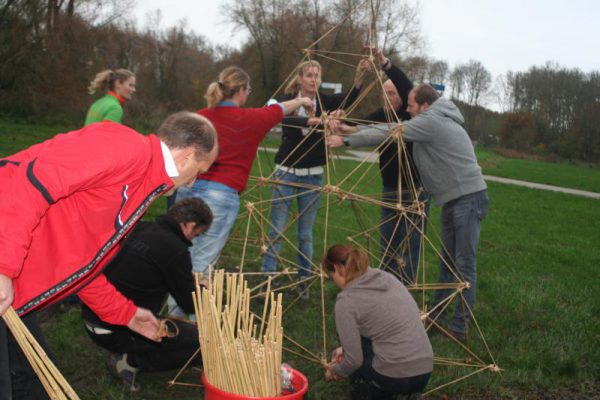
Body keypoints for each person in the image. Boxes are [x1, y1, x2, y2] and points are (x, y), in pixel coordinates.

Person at [0, 111, 218, 399]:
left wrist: (127, 315)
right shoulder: (126, 146)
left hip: (15, 300)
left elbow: (79, 265)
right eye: (201, 171)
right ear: (188, 157)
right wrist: (3, 266)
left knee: (35, 384)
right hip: (6, 278)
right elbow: (26, 183)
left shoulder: (140, 188)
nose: (192, 183)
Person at [330, 84, 489, 341]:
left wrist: (347, 139)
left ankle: (460, 328)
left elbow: (392, 131)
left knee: (464, 266)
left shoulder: (432, 121)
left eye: (411, 105)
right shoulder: (433, 117)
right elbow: (387, 128)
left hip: (468, 200)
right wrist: (353, 128)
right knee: (448, 263)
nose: (407, 109)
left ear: (424, 106)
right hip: (453, 200)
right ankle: (436, 318)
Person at [168, 66, 312, 318]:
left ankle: (175, 318)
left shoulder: (200, 117)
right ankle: (188, 327)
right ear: (243, 91)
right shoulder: (250, 119)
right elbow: (278, 110)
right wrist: (301, 100)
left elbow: (175, 150)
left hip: (187, 192)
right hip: (220, 199)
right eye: (249, 89)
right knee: (203, 264)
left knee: (181, 254)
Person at [260, 59, 369, 298]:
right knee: (276, 229)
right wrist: (316, 121)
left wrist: (359, 78)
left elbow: (348, 98)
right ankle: (266, 280)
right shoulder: (287, 100)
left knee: (305, 233)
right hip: (285, 173)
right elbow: (279, 117)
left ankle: (303, 281)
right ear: (300, 78)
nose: (313, 79)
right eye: (309, 75)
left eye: (317, 75)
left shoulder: (325, 102)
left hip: (313, 177)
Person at [81, 197, 213, 391]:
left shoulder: (138, 227)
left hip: (92, 317)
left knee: (182, 333)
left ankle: (127, 352)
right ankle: (130, 362)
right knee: (204, 343)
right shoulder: (176, 249)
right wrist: (203, 288)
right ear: (190, 225)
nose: (194, 239)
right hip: (121, 327)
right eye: (197, 234)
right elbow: (189, 304)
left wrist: (181, 277)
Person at [327, 49, 428, 285]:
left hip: (415, 190)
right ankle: (387, 284)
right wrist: (338, 121)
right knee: (388, 242)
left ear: (403, 97)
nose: (389, 98)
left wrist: (384, 63)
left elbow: (406, 86)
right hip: (389, 188)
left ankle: (406, 285)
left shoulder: (411, 116)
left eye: (393, 93)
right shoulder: (381, 115)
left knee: (411, 244)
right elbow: (356, 124)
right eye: (386, 93)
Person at [322, 244, 433, 400]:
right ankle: (408, 394)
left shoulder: (346, 301)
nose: (333, 281)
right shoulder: (386, 278)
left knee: (356, 366)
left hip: (394, 378)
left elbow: (354, 361)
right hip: (424, 370)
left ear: (337, 268)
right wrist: (346, 349)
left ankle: (368, 392)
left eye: (331, 275)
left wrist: (335, 370)